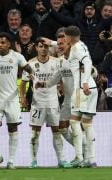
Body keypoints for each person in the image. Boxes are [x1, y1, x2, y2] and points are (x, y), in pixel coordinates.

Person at [0, 32, 32, 169]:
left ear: (9, 44)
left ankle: (11, 161)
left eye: (3, 43)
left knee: (13, 128)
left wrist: (31, 77)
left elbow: (28, 68)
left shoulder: (16, 57)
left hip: (12, 100)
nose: (0, 45)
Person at [20, 37, 71, 169]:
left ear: (49, 48)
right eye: (40, 46)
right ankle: (33, 161)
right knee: (35, 132)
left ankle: (62, 160)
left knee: (57, 131)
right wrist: (23, 97)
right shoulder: (30, 64)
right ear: (36, 48)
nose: (43, 49)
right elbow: (24, 82)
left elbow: (61, 79)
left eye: (46, 47)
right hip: (37, 103)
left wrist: (62, 89)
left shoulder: (55, 62)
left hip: (53, 102)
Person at [64, 25, 98, 168]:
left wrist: (84, 83)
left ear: (69, 37)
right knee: (87, 124)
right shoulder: (81, 44)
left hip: (81, 89)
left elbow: (87, 62)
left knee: (74, 122)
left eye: (65, 37)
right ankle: (90, 159)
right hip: (91, 88)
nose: (64, 39)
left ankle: (79, 157)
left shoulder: (76, 48)